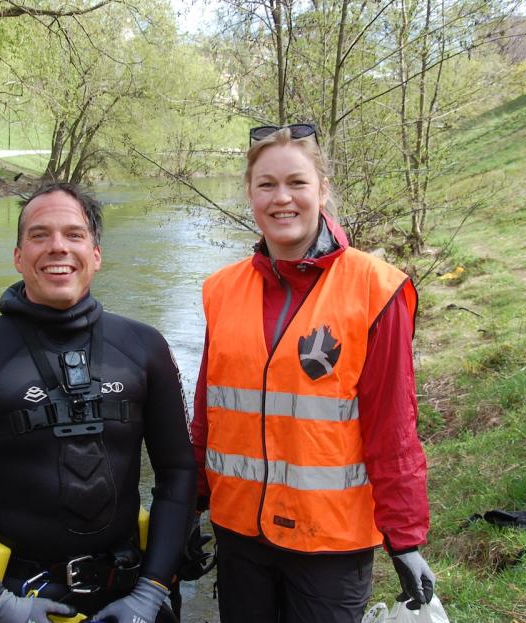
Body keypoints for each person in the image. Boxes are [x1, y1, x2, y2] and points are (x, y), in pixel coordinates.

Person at [0, 182, 196, 623]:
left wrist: (151, 591)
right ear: (19, 256)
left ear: (96, 254)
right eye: (40, 235)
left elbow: (178, 472)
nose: (58, 247)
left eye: (74, 235)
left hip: (130, 594)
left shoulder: (144, 348)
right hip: (14, 599)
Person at [190, 124, 435, 623]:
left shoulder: (375, 290)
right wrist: (187, 505)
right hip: (240, 535)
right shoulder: (222, 290)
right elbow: (207, 415)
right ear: (249, 194)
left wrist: (405, 539)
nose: (282, 199)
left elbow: (393, 428)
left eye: (297, 183)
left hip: (331, 545)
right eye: (266, 185)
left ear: (322, 190)